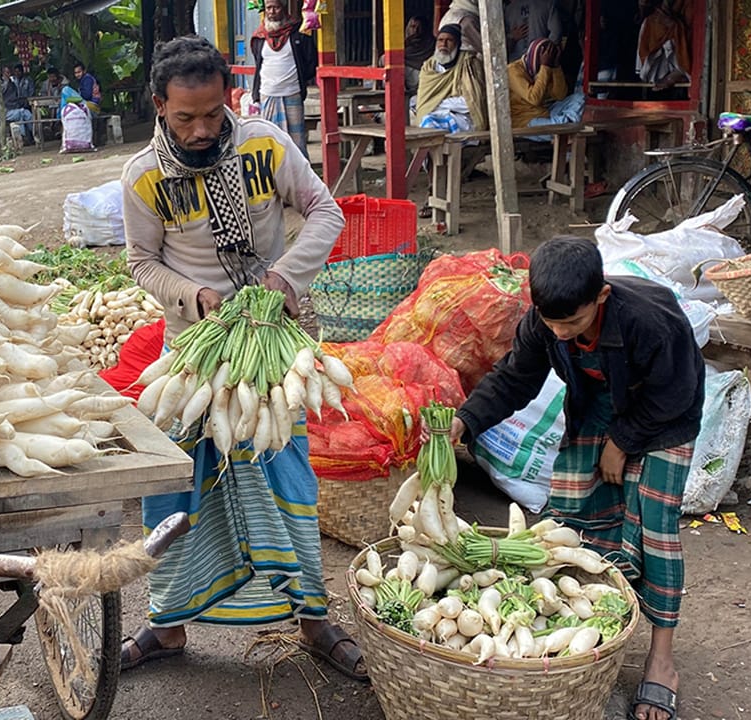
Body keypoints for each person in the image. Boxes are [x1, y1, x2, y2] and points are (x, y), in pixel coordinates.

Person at [119, 35, 366, 682]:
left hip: (272, 344)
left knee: (291, 482)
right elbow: (141, 262)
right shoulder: (143, 176)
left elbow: (324, 210)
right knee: (175, 487)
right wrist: (194, 297)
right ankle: (167, 625)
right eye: (184, 119)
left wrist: (284, 279)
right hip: (194, 354)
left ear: (228, 95)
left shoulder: (263, 142)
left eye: (210, 113)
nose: (201, 130)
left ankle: (314, 621)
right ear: (158, 106)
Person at [450, 237, 699, 720]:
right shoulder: (545, 323)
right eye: (551, 322)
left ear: (601, 297)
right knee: (572, 521)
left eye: (574, 322)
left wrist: (622, 441)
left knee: (653, 527)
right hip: (600, 406)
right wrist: (467, 420)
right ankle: (592, 642)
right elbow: (514, 379)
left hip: (666, 415)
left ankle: (661, 661)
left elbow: (679, 390)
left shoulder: (651, 322)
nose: (561, 334)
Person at [249, 0, 317, 159]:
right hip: (268, 94)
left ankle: (300, 179)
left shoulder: (297, 33)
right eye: (268, 8)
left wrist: (298, 79)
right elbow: (259, 63)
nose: (272, 11)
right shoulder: (259, 37)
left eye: (276, 7)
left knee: (297, 141)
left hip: (292, 93)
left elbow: (310, 62)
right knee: (270, 140)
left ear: (283, 9)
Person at [414, 24, 488, 133]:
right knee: (427, 122)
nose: (443, 44)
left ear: (457, 44)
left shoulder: (469, 64)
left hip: (463, 119)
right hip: (433, 115)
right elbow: (423, 101)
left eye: (449, 40)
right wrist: (444, 102)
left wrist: (437, 102)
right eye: (440, 40)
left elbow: (470, 103)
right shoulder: (429, 67)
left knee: (431, 126)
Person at [508, 38, 583, 130]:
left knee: (580, 98)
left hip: (545, 112)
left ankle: (565, 124)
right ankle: (566, 124)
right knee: (556, 126)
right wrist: (545, 66)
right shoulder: (513, 70)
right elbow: (534, 98)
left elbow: (560, 95)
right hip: (525, 120)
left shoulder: (547, 66)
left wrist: (556, 67)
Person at [636, 0, 690, 92]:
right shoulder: (650, 21)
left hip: (674, 63)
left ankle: (677, 73)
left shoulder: (677, 23)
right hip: (656, 65)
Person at [1, 64, 34, 147]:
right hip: (5, 110)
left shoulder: (15, 83)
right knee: (21, 113)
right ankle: (23, 137)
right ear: (2, 73)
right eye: (7, 73)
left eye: (9, 72)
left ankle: (34, 134)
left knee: (27, 114)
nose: (9, 74)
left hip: (18, 107)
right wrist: (6, 82)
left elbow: (20, 97)